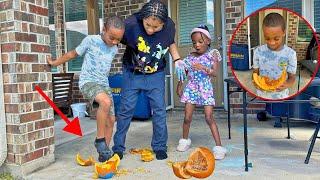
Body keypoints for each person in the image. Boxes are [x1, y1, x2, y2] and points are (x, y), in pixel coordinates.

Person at [47, 16, 125, 162]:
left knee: (112, 119)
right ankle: (100, 140)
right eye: (111, 37)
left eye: (118, 40)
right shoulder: (91, 40)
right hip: (88, 82)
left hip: (104, 84)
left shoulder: (114, 48)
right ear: (103, 30)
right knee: (106, 102)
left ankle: (104, 155)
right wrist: (54, 63)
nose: (114, 42)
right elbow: (72, 54)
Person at [112, 0, 182, 160]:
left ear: (163, 24)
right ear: (142, 18)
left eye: (155, 27)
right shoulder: (130, 24)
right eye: (147, 24)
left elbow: (169, 42)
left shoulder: (169, 26)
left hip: (156, 74)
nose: (150, 30)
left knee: (159, 110)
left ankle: (159, 146)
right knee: (125, 110)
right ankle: (118, 148)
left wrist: (177, 59)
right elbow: (114, 39)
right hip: (132, 73)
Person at [175, 25, 227, 160]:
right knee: (187, 117)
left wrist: (203, 67)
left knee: (209, 117)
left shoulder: (212, 54)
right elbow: (184, 71)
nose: (197, 45)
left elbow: (215, 73)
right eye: (194, 42)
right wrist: (180, 85)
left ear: (208, 41)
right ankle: (185, 140)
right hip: (191, 88)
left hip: (205, 88)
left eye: (200, 41)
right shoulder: (190, 56)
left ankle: (219, 148)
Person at [252, 12, 297, 99]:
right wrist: (255, 81)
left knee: (279, 112)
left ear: (283, 33)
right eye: (267, 38)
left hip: (281, 95)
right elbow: (255, 73)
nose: (271, 42)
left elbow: (292, 77)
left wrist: (288, 84)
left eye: (276, 38)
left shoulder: (291, 54)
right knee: (264, 110)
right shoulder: (258, 51)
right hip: (262, 93)